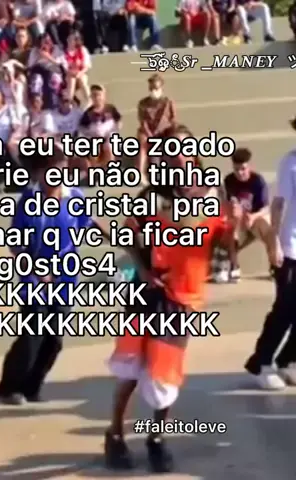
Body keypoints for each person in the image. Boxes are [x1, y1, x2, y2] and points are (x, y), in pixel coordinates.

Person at [104, 124, 232, 472]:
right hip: (146, 291)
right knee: (130, 370)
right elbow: (128, 234)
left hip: (184, 296)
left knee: (166, 374)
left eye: (185, 148)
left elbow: (224, 243)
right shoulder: (152, 194)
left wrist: (237, 225)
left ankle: (156, 439)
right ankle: (115, 435)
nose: (180, 156)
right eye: (173, 149)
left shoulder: (212, 194)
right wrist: (142, 270)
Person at [0, 146, 109, 404]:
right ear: (38, 173)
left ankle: (32, 387)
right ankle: (9, 388)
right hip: (34, 279)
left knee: (55, 339)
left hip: (65, 279)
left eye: (61, 170)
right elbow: (15, 244)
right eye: (51, 171)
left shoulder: (74, 196)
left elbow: (90, 222)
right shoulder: (28, 201)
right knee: (33, 335)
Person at [244, 123, 296, 390]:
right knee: (285, 308)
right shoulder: (290, 163)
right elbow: (278, 204)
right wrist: (274, 241)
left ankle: (288, 361)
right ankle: (261, 363)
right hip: (290, 248)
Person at [213, 148, 271, 283]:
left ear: (249, 166)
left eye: (243, 169)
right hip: (238, 221)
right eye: (236, 169)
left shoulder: (257, 181)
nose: (240, 173)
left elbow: (266, 207)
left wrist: (253, 217)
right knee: (231, 224)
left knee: (269, 230)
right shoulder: (229, 180)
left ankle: (275, 266)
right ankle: (234, 264)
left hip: (255, 218)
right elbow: (226, 205)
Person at [136, 74, 176, 183]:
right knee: (143, 141)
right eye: (152, 88)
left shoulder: (168, 102)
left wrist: (172, 131)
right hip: (149, 132)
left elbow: (173, 119)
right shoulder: (143, 103)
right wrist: (149, 134)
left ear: (161, 87)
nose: (154, 90)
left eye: (156, 87)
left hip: (164, 131)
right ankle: (140, 173)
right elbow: (143, 122)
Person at [79, 84, 122, 169]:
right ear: (91, 97)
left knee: (109, 147)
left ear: (104, 96)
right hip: (94, 137)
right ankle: (95, 170)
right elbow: (82, 128)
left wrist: (115, 130)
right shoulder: (88, 113)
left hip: (109, 136)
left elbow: (119, 121)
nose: (97, 98)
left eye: (99, 95)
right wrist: (90, 135)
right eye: (94, 95)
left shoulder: (111, 108)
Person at [64, 31, 91, 105]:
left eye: (71, 39)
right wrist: (71, 73)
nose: (69, 41)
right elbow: (64, 67)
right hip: (68, 75)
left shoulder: (82, 50)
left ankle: (89, 100)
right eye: (68, 39)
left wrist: (79, 73)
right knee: (71, 79)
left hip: (81, 73)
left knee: (82, 79)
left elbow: (86, 66)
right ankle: (69, 101)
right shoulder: (63, 51)